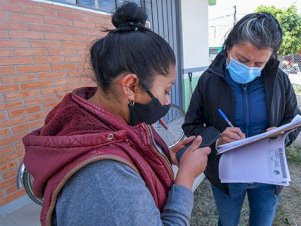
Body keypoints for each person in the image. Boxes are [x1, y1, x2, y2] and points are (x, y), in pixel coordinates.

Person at [22, 2, 210, 226]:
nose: (168, 101)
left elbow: (127, 148)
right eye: (166, 90)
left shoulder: (114, 117)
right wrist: (185, 179)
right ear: (130, 86)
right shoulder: (103, 179)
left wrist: (160, 154)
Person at [182, 12, 301, 226]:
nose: (250, 68)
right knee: (227, 222)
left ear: (270, 58)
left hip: (267, 175)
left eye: (259, 63)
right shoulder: (210, 80)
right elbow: (191, 125)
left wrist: (283, 134)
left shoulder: (279, 80)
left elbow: (293, 120)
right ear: (228, 48)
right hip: (227, 175)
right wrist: (217, 139)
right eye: (243, 59)